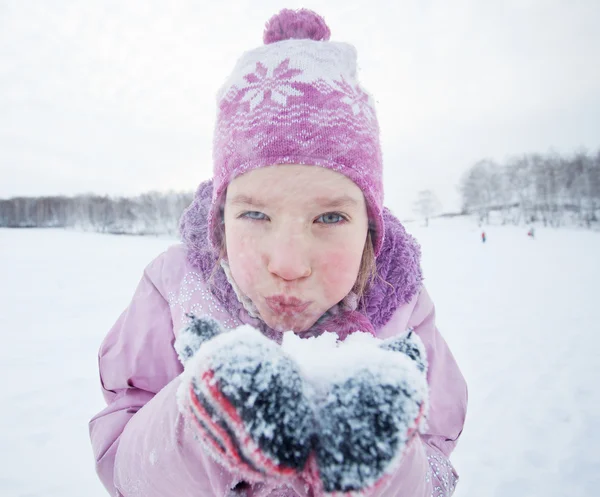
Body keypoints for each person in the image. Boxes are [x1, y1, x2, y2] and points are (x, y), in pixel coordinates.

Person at [89, 8, 467, 497]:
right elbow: (120, 464)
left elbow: (437, 466)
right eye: (255, 215)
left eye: (330, 217)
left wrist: (380, 461)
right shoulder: (176, 286)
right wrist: (203, 428)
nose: (287, 264)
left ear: (369, 225)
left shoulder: (402, 307)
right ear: (221, 215)